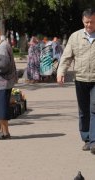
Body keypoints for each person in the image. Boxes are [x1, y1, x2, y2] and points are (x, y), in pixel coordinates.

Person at [57, 8, 95, 154]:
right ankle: (86, 138)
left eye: (91, 22)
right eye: (86, 22)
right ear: (82, 21)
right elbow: (67, 57)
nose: (89, 25)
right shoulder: (75, 37)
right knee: (83, 111)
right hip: (80, 79)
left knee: (94, 108)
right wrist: (61, 72)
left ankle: (93, 141)